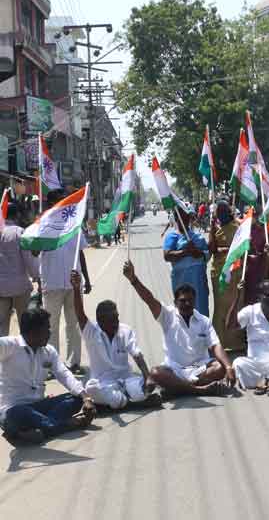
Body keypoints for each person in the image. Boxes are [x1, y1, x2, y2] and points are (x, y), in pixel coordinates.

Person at [123, 260, 235, 397]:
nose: (187, 303)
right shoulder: (167, 315)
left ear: (195, 301)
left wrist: (229, 367)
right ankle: (199, 389)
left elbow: (215, 345)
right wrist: (133, 280)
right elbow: (149, 299)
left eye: (190, 300)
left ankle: (180, 388)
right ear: (175, 302)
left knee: (219, 368)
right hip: (175, 369)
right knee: (155, 373)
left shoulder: (203, 321)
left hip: (199, 368)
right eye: (182, 300)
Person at [0, 307, 96, 445]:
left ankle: (33, 431)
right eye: (47, 329)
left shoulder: (48, 351)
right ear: (34, 331)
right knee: (18, 414)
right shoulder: (9, 345)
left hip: (40, 406)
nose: (50, 333)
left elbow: (64, 374)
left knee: (75, 398)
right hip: (13, 409)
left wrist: (85, 397)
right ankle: (66, 425)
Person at [70, 271, 161, 410]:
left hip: (127, 381)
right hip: (104, 384)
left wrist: (147, 376)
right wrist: (76, 289)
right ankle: (131, 404)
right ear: (100, 322)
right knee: (91, 388)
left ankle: (119, 403)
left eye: (117, 317)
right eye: (112, 320)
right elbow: (80, 314)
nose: (116, 322)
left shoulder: (125, 330)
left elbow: (137, 354)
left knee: (143, 387)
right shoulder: (91, 331)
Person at [39, 190, 92, 373]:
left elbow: (81, 253)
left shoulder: (74, 224)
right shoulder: (43, 224)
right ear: (51, 204)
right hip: (51, 284)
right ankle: (51, 367)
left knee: (75, 324)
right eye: (59, 201)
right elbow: (34, 252)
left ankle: (74, 363)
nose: (63, 204)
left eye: (65, 201)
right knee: (50, 327)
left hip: (74, 284)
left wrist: (87, 278)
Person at [208, 200, 246, 351]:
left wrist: (229, 250)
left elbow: (244, 247)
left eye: (223, 211)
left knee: (236, 304)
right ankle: (219, 342)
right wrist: (211, 229)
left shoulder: (239, 227)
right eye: (218, 212)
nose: (221, 214)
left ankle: (236, 342)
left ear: (229, 212)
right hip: (220, 273)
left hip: (236, 271)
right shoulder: (216, 229)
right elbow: (211, 249)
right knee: (220, 307)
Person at [0, 199, 39, 336]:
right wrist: (36, 275)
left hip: (1, 289)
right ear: (17, 216)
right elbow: (28, 258)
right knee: (25, 324)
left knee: (2, 328)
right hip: (20, 287)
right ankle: (24, 354)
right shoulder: (20, 232)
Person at [163, 207, 210, 317]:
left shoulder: (197, 237)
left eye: (186, 216)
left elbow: (207, 255)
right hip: (182, 282)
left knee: (201, 315)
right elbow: (167, 255)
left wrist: (198, 253)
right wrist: (186, 252)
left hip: (199, 283)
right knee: (184, 314)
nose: (184, 219)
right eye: (181, 217)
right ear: (176, 219)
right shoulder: (172, 237)